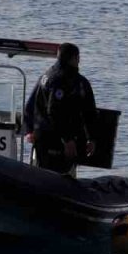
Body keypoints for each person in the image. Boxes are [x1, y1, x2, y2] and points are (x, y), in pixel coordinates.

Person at [23, 42, 97, 174]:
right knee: (57, 175)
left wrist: (29, 130)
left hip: (49, 139)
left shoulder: (47, 76)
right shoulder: (63, 81)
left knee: (50, 173)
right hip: (55, 141)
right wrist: (68, 140)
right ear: (75, 58)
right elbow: (54, 112)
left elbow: (30, 106)